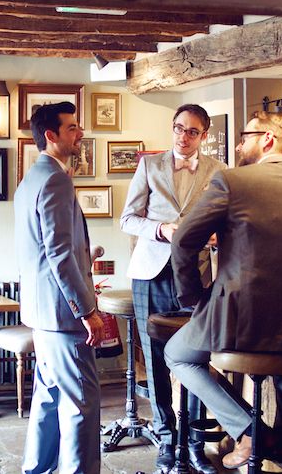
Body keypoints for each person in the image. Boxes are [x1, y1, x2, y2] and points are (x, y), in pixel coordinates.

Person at [164, 111, 282, 469]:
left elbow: (183, 240)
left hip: (238, 317)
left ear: (268, 140)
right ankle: (281, 440)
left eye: (246, 136)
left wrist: (193, 298)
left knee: (178, 355)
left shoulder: (232, 181)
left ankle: (249, 431)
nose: (240, 144)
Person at [120, 103, 227, 472]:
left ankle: (194, 442)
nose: (183, 136)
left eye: (192, 131)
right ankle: (167, 438)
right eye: (179, 128)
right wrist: (160, 230)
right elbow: (128, 219)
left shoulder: (219, 172)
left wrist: (214, 238)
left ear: (204, 136)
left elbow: (225, 224)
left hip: (197, 277)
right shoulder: (149, 166)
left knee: (193, 359)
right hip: (151, 272)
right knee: (156, 359)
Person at [15, 101, 105, 474]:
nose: (79, 133)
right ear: (51, 136)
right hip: (62, 314)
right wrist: (88, 310)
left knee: (49, 399)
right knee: (81, 406)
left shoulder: (31, 178)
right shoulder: (54, 178)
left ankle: (37, 469)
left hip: (41, 312)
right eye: (72, 128)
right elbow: (59, 253)